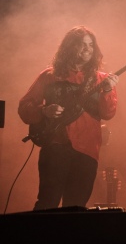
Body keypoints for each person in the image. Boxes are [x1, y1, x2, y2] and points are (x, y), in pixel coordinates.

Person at [18, 25, 118, 210]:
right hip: (55, 146)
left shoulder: (101, 80)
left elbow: (108, 113)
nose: (87, 49)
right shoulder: (50, 76)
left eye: (90, 45)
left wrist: (107, 90)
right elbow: (24, 107)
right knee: (47, 204)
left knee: (76, 207)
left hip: (87, 151)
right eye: (82, 44)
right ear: (70, 47)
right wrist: (44, 111)